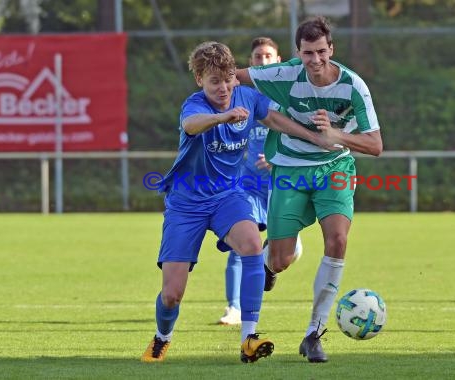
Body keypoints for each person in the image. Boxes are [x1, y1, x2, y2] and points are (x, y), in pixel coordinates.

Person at [141, 41, 337, 364]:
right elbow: (191, 125)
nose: (223, 87)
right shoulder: (193, 106)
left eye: (228, 79)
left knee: (250, 244)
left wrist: (314, 137)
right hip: (186, 201)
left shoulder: (247, 96)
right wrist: (223, 118)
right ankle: (163, 337)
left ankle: (248, 338)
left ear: (235, 76)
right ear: (199, 81)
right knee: (172, 295)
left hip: (227, 196)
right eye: (213, 81)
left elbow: (274, 120)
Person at [236, 16, 383, 363]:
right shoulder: (283, 74)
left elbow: (375, 145)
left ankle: (313, 333)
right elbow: (235, 77)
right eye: (307, 53)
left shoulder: (353, 85)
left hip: (335, 168)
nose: (315, 60)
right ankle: (271, 261)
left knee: (338, 239)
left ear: (331, 49)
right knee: (281, 259)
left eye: (321, 52)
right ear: (297, 53)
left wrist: (336, 136)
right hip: (289, 167)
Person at [218, 37, 303, 326]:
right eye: (258, 57)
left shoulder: (288, 98)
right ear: (251, 62)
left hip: (281, 184)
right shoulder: (240, 95)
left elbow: (298, 136)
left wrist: (276, 157)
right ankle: (235, 307)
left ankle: (269, 266)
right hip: (247, 185)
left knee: (292, 251)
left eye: (268, 56)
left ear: (278, 61)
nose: (263, 61)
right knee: (240, 245)